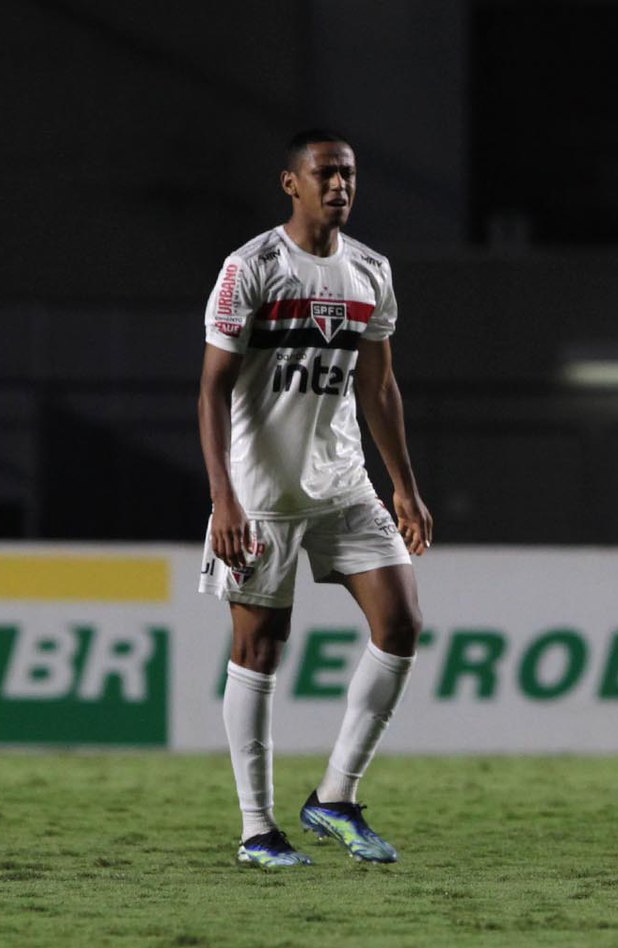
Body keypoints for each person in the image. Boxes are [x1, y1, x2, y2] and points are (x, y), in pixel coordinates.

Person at [198, 129, 432, 868]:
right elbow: (211, 390)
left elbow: (379, 386)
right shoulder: (251, 268)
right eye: (325, 173)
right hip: (262, 494)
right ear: (290, 184)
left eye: (349, 174)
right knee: (259, 649)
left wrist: (404, 485)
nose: (340, 185)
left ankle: (335, 797)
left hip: (344, 485)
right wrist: (224, 501)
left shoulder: (371, 270)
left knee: (400, 623)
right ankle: (256, 829)